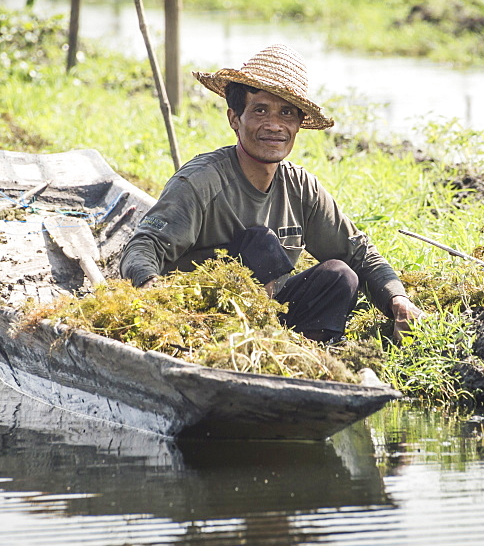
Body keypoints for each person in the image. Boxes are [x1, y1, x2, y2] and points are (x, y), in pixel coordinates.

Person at [120, 43, 422, 342]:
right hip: (202, 315)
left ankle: (310, 350)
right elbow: (144, 246)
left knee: (340, 276)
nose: (274, 125)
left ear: (299, 124)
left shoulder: (301, 188)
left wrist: (397, 299)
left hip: (275, 318)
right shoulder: (201, 182)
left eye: (287, 113)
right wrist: (150, 289)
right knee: (260, 241)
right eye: (260, 110)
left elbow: (358, 253)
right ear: (235, 119)